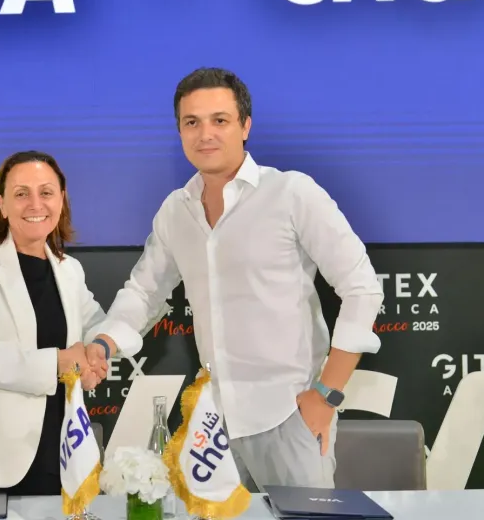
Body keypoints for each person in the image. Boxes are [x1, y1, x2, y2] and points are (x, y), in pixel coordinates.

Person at [89, 68, 384, 491]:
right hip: (213, 427)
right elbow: (145, 291)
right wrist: (104, 343)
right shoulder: (176, 211)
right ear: (179, 131)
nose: (205, 133)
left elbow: (362, 287)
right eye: (192, 122)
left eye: (220, 120)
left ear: (245, 126)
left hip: (289, 416)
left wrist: (326, 395)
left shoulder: (291, 193)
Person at [0, 151, 142, 496]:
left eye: (46, 192)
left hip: (55, 453)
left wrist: (99, 349)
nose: (35, 204)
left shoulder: (69, 270)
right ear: (2, 205)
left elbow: (101, 325)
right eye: (21, 194)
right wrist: (60, 362)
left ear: (61, 201)